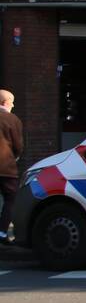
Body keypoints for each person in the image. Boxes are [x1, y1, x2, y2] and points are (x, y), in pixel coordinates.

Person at [0, 90, 24, 243]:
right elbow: (18, 146)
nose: (13, 105)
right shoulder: (13, 120)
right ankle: (2, 232)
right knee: (10, 200)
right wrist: (14, 157)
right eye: (12, 101)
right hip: (6, 168)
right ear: (5, 102)